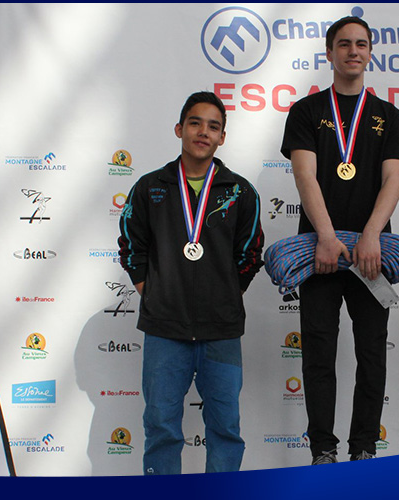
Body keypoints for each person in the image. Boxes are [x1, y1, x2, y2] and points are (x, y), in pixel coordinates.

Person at [280, 15, 399, 464]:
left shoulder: (389, 115)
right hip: (320, 252)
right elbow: (305, 175)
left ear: (370, 52)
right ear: (330, 52)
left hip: (372, 255)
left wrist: (371, 235)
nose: (353, 51)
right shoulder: (306, 111)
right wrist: (327, 237)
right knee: (318, 353)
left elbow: (393, 178)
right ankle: (323, 450)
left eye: (361, 44)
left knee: (372, 353)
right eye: (344, 44)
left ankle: (364, 448)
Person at [118, 91, 264, 473]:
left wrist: (225, 293)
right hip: (165, 330)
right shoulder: (150, 187)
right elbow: (131, 245)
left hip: (221, 330)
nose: (203, 132)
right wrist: (154, 292)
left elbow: (251, 253)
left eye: (213, 126)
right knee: (161, 428)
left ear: (222, 137)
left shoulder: (240, 192)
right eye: (195, 123)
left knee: (225, 430)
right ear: (179, 129)